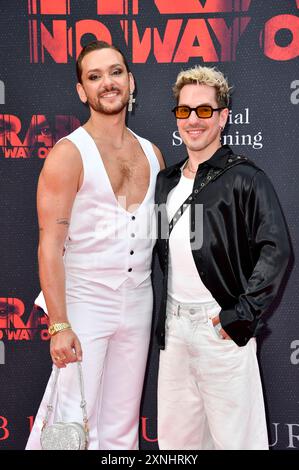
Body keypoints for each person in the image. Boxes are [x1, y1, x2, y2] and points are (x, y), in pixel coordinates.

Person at [26, 40, 164, 450]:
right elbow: (49, 246)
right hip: (85, 301)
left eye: (116, 72)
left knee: (122, 428)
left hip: (139, 300)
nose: (108, 82)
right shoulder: (68, 155)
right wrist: (60, 324)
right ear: (82, 92)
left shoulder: (153, 154)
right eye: (95, 76)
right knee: (69, 423)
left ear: (131, 81)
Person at [155, 65, 292, 450]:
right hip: (174, 329)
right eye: (184, 111)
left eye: (204, 110)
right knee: (177, 444)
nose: (193, 120)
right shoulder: (165, 181)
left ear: (223, 117)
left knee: (238, 442)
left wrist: (242, 313)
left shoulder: (246, 177)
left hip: (220, 328)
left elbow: (276, 248)